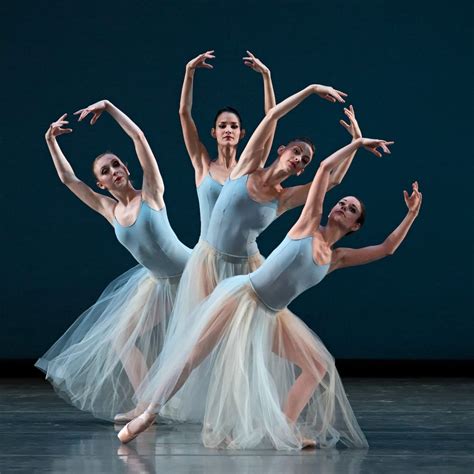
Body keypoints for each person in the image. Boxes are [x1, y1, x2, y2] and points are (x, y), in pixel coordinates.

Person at [119, 130, 421, 450]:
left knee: (319, 365)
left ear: (355, 226)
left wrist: (411, 214)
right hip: (243, 297)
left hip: (273, 314)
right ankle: (149, 412)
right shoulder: (308, 224)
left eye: (350, 210)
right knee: (195, 355)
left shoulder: (336, 258)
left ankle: (285, 426)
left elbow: (387, 248)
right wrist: (356, 144)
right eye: (342, 203)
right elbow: (323, 173)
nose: (342, 207)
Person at [35, 100, 191, 423]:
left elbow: (139, 138)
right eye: (105, 171)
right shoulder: (110, 211)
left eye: (116, 164)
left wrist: (109, 107)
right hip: (158, 283)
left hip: (192, 272)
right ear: (101, 184)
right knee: (123, 338)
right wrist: (50, 140)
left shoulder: (152, 192)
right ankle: (147, 403)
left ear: (127, 168)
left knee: (208, 344)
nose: (113, 171)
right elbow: (69, 180)